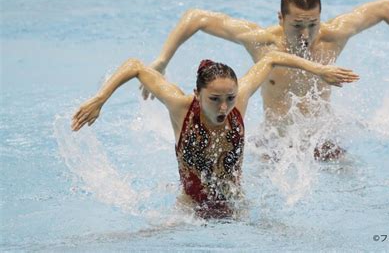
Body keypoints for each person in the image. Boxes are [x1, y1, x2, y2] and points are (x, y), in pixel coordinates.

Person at [141, 0, 389, 160]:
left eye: (312, 24)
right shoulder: (262, 43)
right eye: (296, 26)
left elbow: (386, 7)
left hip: (324, 141)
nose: (305, 35)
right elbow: (197, 17)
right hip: (274, 146)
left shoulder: (333, 36)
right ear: (281, 19)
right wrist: (163, 59)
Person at [71, 51, 359, 219]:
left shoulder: (240, 100)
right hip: (189, 212)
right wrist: (100, 99)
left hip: (236, 203)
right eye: (214, 99)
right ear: (198, 94)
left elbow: (270, 58)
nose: (224, 107)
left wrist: (319, 69)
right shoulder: (181, 106)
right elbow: (134, 65)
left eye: (230, 98)